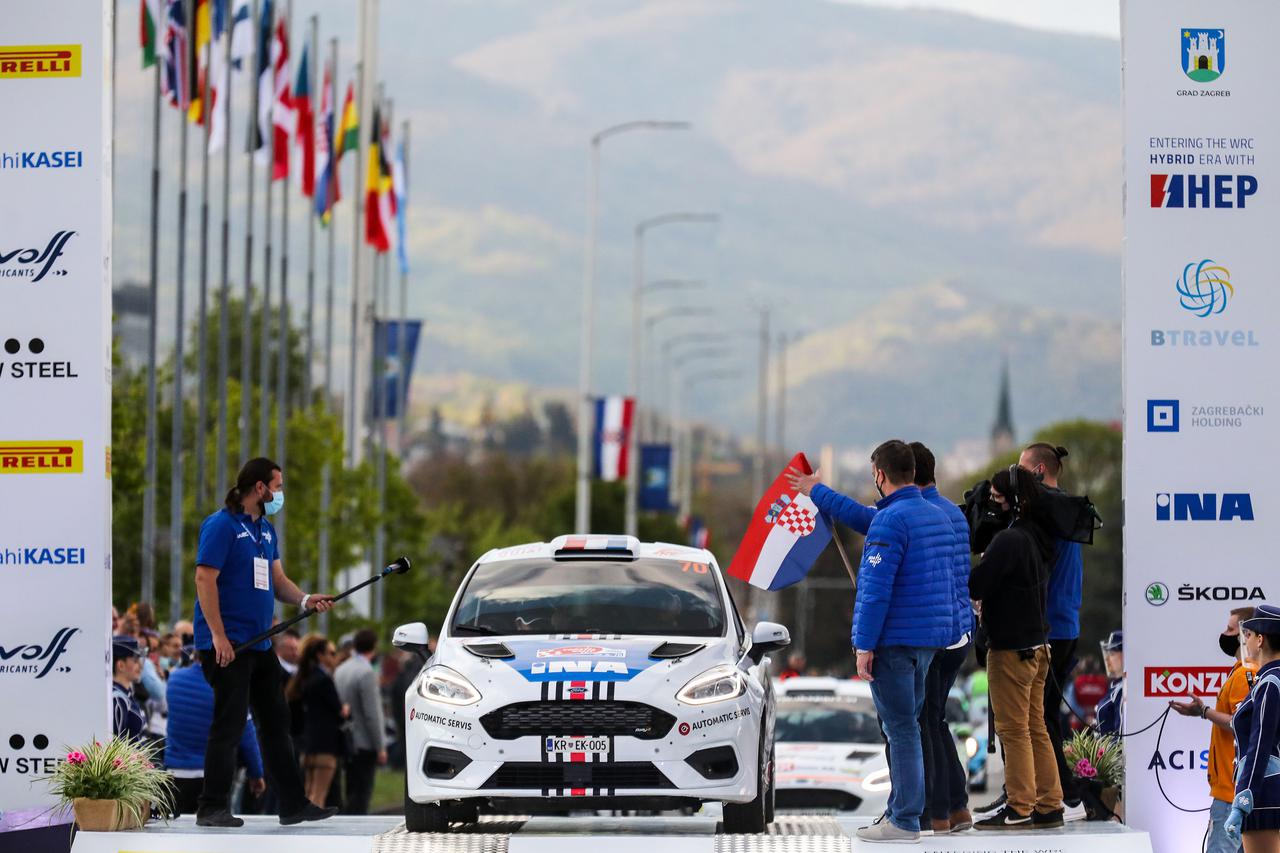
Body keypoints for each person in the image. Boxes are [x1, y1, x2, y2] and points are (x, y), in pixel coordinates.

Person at [791, 439, 954, 843]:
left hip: (894, 643)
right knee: (910, 726)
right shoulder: (932, 515)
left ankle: (903, 819)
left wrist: (863, 646)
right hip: (928, 641)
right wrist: (818, 491)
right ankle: (904, 813)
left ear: (879, 475)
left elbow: (874, 591)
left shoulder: (890, 522)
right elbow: (862, 516)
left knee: (899, 729)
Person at [192, 456, 337, 828]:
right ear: (260, 488)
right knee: (230, 723)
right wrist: (219, 636)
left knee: (276, 721)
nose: (280, 493)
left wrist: (306, 599)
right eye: (279, 485)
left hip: (259, 646)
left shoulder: (266, 531)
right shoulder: (221, 525)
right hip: (228, 647)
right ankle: (211, 807)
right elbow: (204, 579)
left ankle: (292, 804)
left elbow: (278, 581)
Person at [969, 466, 1064, 831]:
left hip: (1010, 650)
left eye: (995, 498)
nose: (992, 505)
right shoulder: (1038, 536)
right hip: (1039, 646)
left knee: (1013, 730)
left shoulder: (1008, 541)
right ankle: (1049, 802)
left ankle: (1020, 804)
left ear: (1013, 500)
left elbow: (977, 584)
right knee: (1036, 726)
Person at [1019, 443, 1087, 819]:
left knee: (1040, 716)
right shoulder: (1062, 510)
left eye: (1022, 471)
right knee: (1042, 715)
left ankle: (1066, 796)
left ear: (1040, 470)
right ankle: (1038, 793)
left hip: (1052, 627)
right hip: (1063, 624)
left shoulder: (1051, 511)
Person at [1171, 608, 1258, 853]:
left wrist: (1204, 711)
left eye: (1230, 629)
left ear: (1246, 633)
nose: (1224, 634)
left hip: (1232, 792)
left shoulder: (1246, 674)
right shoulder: (1240, 670)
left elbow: (1240, 723)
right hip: (1233, 789)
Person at [165, 651, 266, 816]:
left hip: (176, 772)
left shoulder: (175, 679)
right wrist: (256, 773)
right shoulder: (230, 685)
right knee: (214, 831)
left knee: (179, 833)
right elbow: (246, 734)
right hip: (214, 776)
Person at [1226, 605, 1280, 851]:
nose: (1244, 641)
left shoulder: (1270, 682)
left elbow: (1260, 744)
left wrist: (1244, 797)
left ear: (1260, 639)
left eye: (1248, 635)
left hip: (1264, 792)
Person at [288, 635, 347, 808]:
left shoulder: (302, 680)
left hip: (307, 744)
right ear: (320, 655)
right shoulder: (324, 680)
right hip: (326, 744)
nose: (334, 657)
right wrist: (345, 710)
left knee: (309, 792)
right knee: (319, 795)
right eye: (331, 653)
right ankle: (310, 833)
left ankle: (302, 830)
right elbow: (338, 711)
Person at [335, 628, 388, 815]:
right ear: (373, 647)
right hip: (364, 740)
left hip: (346, 737)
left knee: (350, 787)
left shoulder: (341, 669)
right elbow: (372, 713)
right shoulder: (366, 672)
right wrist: (380, 745)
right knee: (362, 792)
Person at [111, 635, 147, 742]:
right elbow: (117, 748)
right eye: (135, 660)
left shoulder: (126, 693)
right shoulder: (117, 699)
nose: (140, 666)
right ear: (121, 665)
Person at [1094, 631, 1124, 735]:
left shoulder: (1123, 689)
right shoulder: (1115, 685)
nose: (1106, 659)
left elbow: (1120, 736)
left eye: (1112, 654)